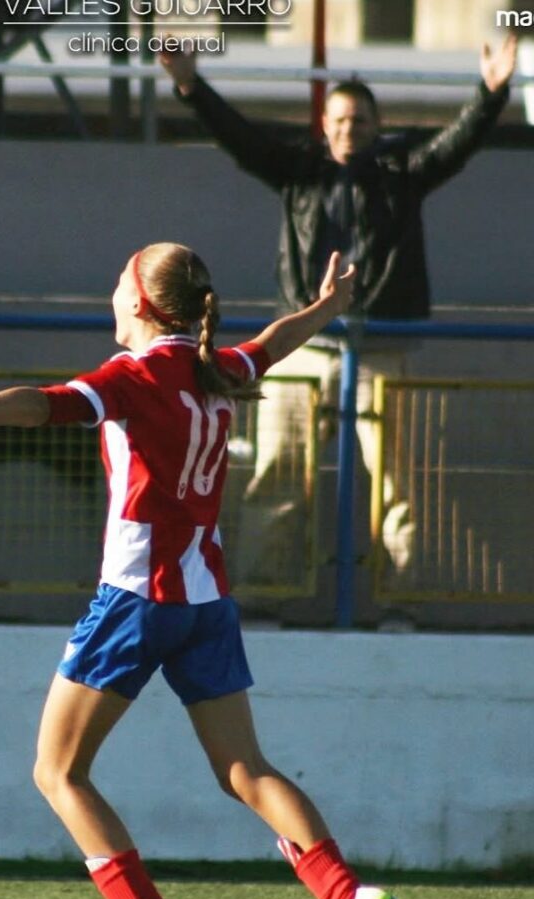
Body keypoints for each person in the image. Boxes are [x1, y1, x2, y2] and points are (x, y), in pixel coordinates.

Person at [0, 243, 399, 899]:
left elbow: (41, 402)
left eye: (120, 282)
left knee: (57, 771)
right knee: (245, 769)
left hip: (135, 598)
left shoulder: (136, 375)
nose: (112, 292)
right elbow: (273, 345)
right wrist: (326, 311)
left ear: (143, 306)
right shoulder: (214, 368)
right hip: (206, 599)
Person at [160, 37, 519, 597]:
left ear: (377, 125)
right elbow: (239, 137)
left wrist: (492, 93)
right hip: (301, 351)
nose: (351, 127)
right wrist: (190, 86)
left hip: (379, 348)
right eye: (341, 118)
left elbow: (456, 145)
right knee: (278, 476)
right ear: (324, 125)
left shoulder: (402, 174)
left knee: (403, 485)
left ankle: (401, 600)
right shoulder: (299, 173)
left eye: (361, 119)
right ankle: (268, 595)